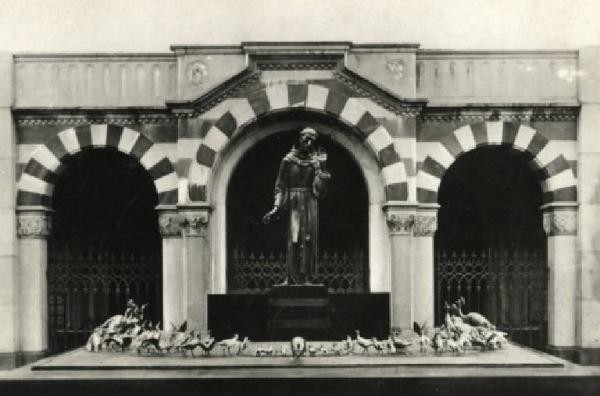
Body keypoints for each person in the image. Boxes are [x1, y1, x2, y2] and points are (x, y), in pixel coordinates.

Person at [263, 127, 331, 285]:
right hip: (293, 201)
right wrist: (276, 206)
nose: (309, 142)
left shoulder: (315, 162)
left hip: (310, 201)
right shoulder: (288, 160)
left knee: (309, 238)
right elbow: (280, 185)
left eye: (313, 139)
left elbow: (320, 191)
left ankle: (306, 277)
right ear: (300, 138)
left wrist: (323, 168)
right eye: (307, 138)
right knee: (293, 238)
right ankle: (289, 276)